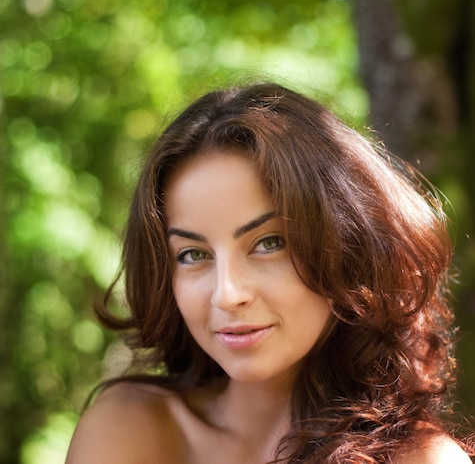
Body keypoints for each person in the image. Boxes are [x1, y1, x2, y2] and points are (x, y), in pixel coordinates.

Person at [66, 81, 473, 463]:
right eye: (192, 254)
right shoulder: (126, 428)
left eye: (269, 244)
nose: (227, 294)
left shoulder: (419, 458)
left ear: (349, 247)